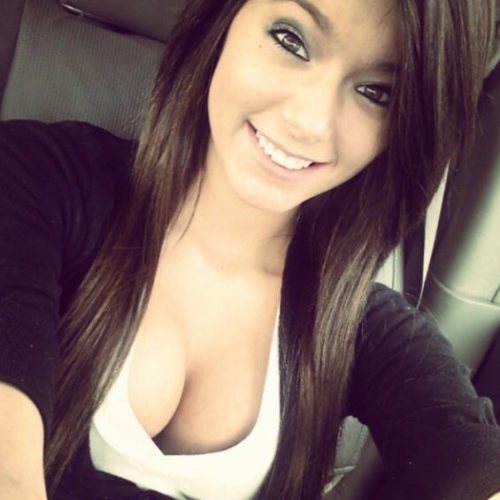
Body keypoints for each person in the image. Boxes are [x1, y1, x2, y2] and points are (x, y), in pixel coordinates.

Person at [0, 0, 499, 499]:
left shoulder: (364, 325)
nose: (308, 121)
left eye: (377, 93)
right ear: (224, 18)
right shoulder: (35, 180)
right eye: (290, 40)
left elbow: (464, 451)